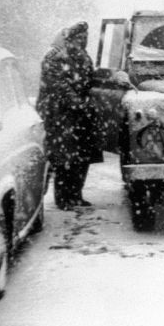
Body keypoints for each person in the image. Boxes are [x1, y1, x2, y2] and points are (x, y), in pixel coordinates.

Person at [36, 21, 104, 210]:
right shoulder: (54, 56)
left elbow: (89, 80)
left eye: (84, 38)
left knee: (81, 157)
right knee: (63, 158)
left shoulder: (83, 57)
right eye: (78, 38)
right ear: (69, 39)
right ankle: (63, 198)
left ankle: (76, 194)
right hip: (59, 114)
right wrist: (78, 103)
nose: (82, 41)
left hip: (79, 114)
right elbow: (58, 85)